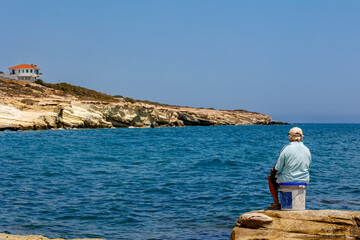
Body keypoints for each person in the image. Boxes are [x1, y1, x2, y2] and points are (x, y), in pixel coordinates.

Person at [267, 127, 312, 210]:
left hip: (288, 180)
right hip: (303, 180)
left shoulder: (286, 149)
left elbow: (278, 167)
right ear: (301, 137)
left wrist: (273, 171)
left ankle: (276, 203)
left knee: (270, 178)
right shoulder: (307, 150)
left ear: (289, 136)